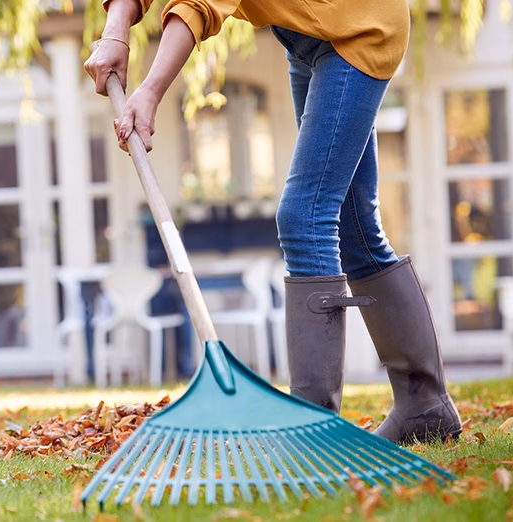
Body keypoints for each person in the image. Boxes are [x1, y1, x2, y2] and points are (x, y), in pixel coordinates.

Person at [84, 0, 462, 444]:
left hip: (360, 27)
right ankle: (425, 409)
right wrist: (115, 33)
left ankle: (314, 431)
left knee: (304, 216)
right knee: (354, 226)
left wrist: (149, 91)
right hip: (308, 35)